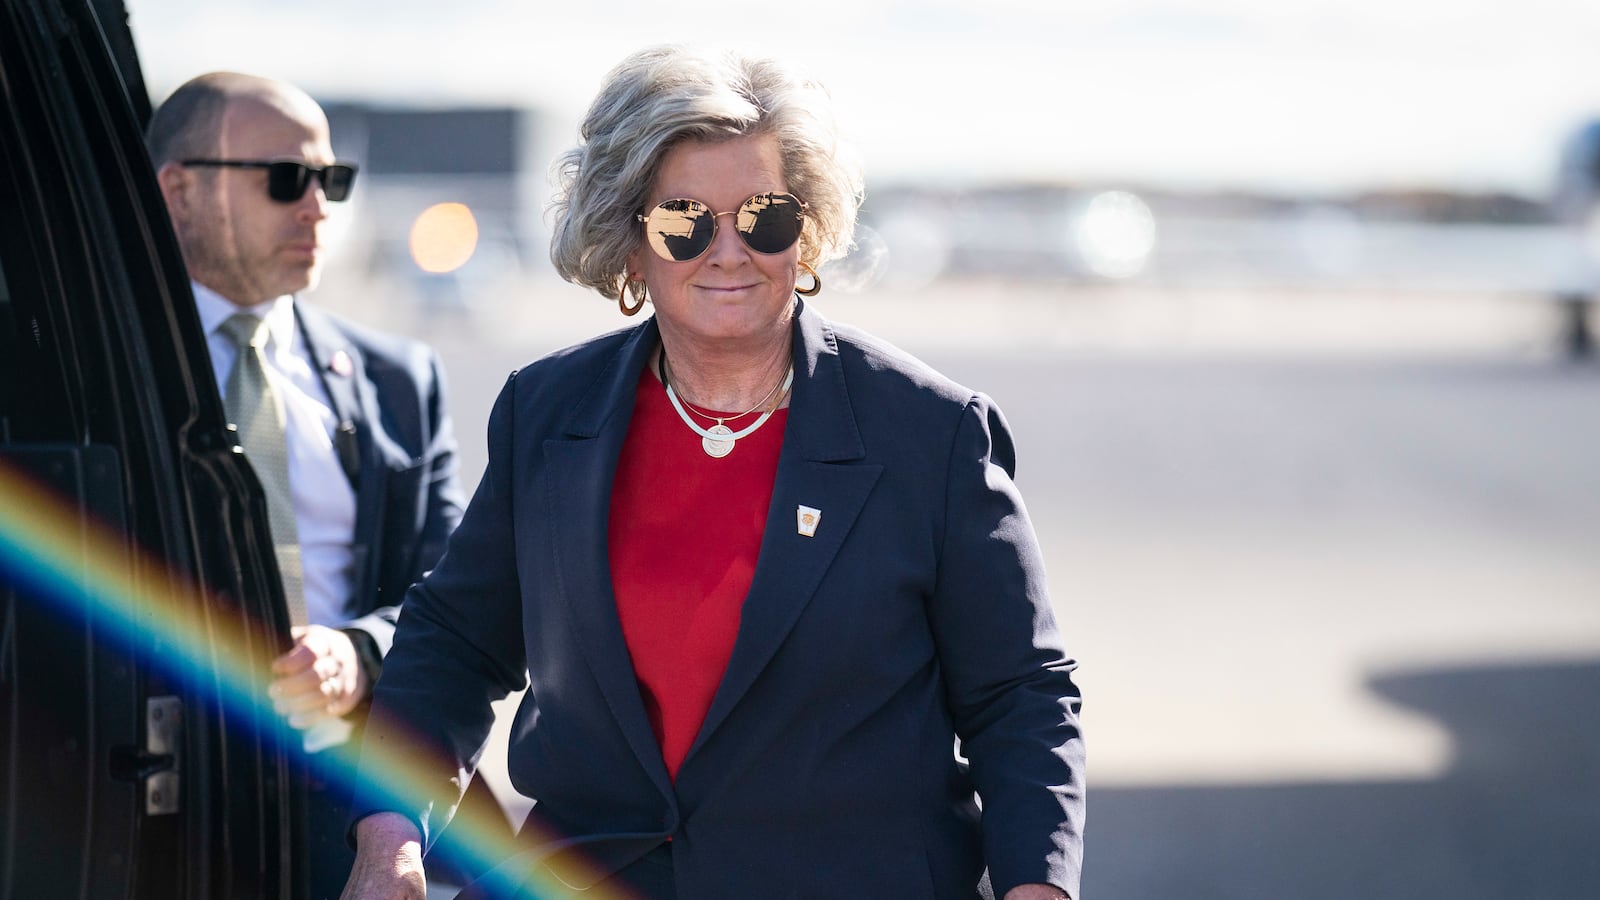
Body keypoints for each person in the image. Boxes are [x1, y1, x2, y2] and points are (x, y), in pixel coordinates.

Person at [343, 46, 1084, 900]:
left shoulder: (933, 434)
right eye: (685, 221)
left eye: (763, 217)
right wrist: (391, 831)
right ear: (629, 245)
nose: (729, 250)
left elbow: (1021, 696)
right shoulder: (545, 413)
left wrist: (1038, 887)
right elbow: (456, 643)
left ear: (804, 233)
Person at [146, 72, 468, 898]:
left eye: (332, 181)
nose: (318, 207)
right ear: (178, 190)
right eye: (287, 179)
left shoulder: (400, 380)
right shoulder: (101, 376)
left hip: (345, 800)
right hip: (154, 793)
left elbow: (459, 601)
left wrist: (357, 652)